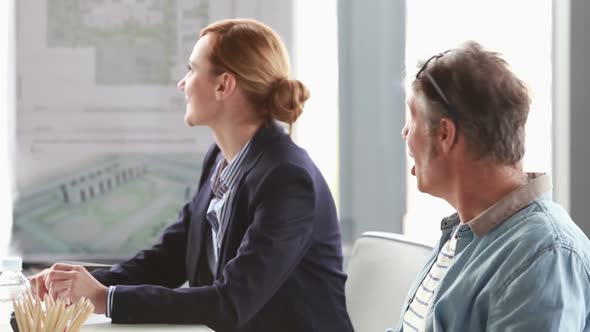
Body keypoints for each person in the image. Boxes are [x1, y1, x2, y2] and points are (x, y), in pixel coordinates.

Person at [29, 18, 354, 332]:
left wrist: (104, 298)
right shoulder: (220, 159)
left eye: (192, 69)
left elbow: (230, 303)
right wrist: (84, 284)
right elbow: (169, 258)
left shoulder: (286, 179)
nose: (182, 84)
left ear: (223, 84)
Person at [396, 41, 590, 331]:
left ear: (446, 134)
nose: (405, 132)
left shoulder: (544, 255)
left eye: (412, 115)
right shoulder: (462, 236)